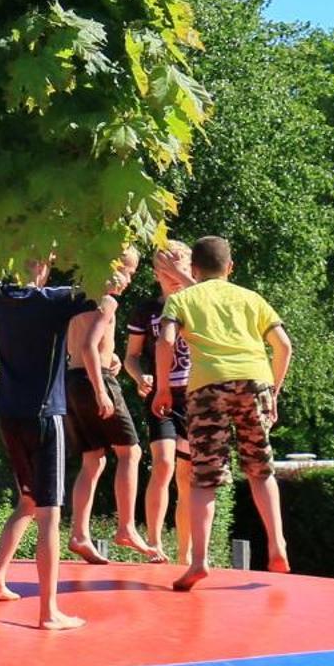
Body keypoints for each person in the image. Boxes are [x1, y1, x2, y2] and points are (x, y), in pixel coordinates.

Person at [155, 235, 293, 589]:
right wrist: (273, 390)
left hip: (207, 387)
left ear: (195, 269)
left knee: (205, 476)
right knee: (260, 468)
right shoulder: (252, 298)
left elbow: (167, 340)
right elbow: (284, 346)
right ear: (230, 267)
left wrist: (163, 387)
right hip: (255, 381)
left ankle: (198, 561)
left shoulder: (183, 298)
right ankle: (276, 545)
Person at [0, 258, 96, 630]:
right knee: (49, 514)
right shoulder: (55, 300)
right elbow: (100, 291)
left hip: (7, 414)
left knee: (27, 501)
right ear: (43, 267)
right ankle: (49, 611)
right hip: (45, 415)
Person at [64, 251, 165, 565]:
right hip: (96, 382)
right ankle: (126, 528)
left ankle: (80, 533)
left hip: (72, 380)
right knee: (130, 452)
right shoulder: (107, 301)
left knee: (93, 459)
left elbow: (79, 347)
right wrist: (101, 389)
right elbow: (88, 347)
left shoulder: (74, 297)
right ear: (109, 267)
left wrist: (112, 359)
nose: (130, 278)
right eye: (127, 270)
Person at [126, 240, 195, 564]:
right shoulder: (147, 310)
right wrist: (140, 377)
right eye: (166, 272)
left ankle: (186, 551)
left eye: (179, 271)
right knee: (164, 463)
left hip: (195, 396)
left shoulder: (199, 306)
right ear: (156, 274)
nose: (174, 278)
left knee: (188, 475)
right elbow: (132, 357)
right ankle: (154, 543)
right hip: (163, 397)